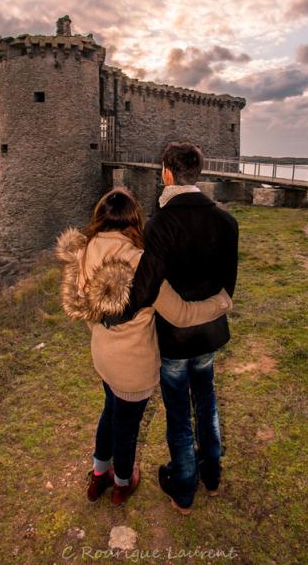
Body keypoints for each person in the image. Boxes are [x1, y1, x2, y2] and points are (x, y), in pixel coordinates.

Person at [56, 187, 232, 507]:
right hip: (132, 365)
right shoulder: (140, 264)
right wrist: (220, 303)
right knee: (126, 427)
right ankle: (122, 483)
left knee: (110, 411)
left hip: (102, 355)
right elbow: (180, 313)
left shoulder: (85, 250)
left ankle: (98, 475)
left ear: (100, 217)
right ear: (134, 220)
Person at [103, 142, 239, 513]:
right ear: (197, 173)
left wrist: (113, 314)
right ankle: (211, 473)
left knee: (179, 412)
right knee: (207, 402)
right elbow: (229, 285)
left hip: (173, 339)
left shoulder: (159, 224)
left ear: (166, 173)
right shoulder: (227, 222)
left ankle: (183, 487)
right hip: (209, 332)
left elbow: (146, 287)